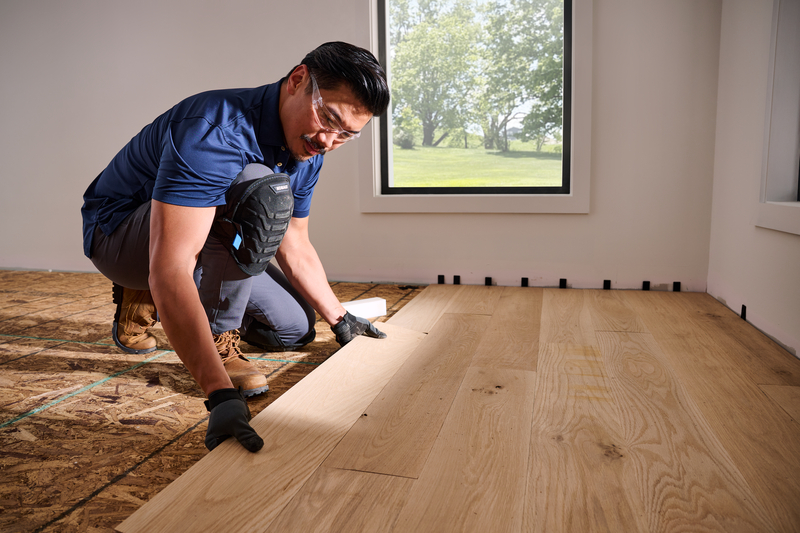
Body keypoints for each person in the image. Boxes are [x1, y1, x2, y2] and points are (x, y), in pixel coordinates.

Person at [81, 42, 390, 453]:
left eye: (346, 135)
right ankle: (211, 337)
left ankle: (165, 299)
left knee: (293, 330)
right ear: (298, 80)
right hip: (119, 234)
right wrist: (219, 393)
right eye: (328, 118)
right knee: (257, 188)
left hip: (202, 232)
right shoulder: (214, 130)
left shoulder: (310, 149)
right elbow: (172, 266)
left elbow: (295, 242)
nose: (328, 140)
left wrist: (340, 318)